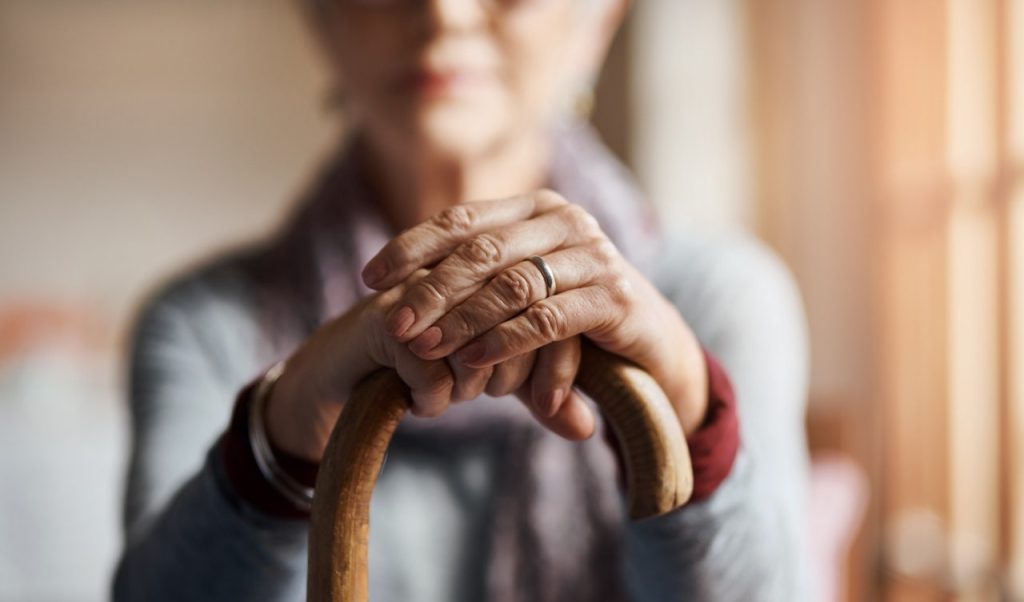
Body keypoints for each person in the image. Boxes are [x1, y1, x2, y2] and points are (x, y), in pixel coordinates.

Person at [112, 0, 813, 600]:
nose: (442, 13)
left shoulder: (720, 298)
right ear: (321, 17)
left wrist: (687, 413)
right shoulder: (203, 324)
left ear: (595, 20)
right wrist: (282, 431)